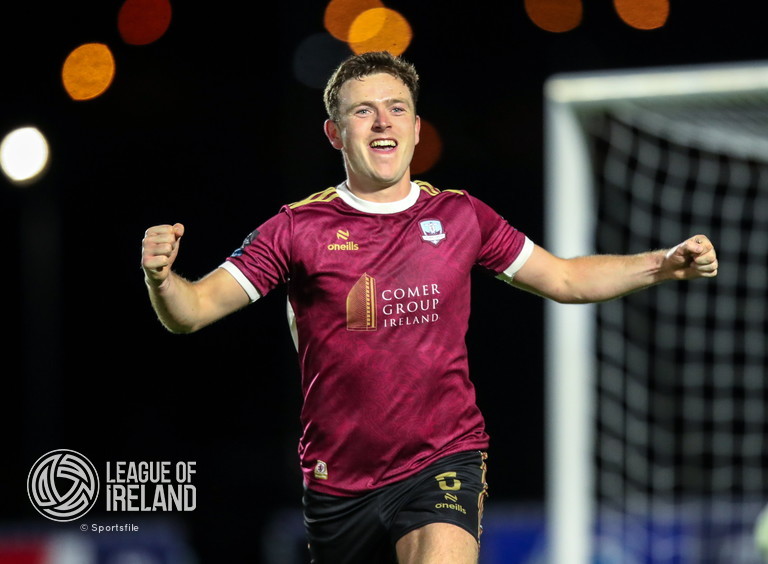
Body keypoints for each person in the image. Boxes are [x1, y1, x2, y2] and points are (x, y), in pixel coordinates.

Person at [140, 51, 718, 564]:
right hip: (338, 482)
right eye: (363, 111)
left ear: (416, 129)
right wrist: (161, 278)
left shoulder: (461, 216)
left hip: (442, 460)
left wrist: (663, 264)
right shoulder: (296, 229)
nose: (383, 121)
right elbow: (192, 311)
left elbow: (564, 277)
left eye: (396, 108)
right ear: (335, 133)